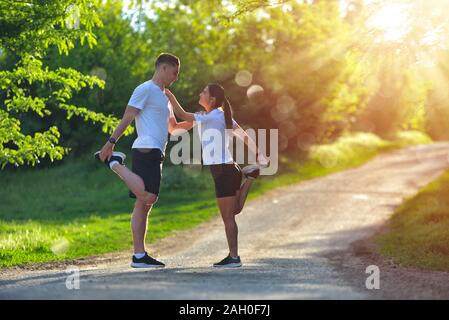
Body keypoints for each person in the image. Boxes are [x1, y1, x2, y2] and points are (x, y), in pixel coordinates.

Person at [94, 53, 193, 268]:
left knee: (143, 205)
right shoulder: (145, 89)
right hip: (146, 147)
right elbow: (128, 116)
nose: (176, 77)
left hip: (157, 151)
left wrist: (200, 121)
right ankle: (114, 163)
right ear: (164, 68)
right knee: (148, 196)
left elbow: (174, 128)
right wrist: (110, 142)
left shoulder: (165, 97)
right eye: (175, 72)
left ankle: (139, 256)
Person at [165, 84, 268, 268]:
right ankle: (250, 175)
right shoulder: (217, 116)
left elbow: (184, 115)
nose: (200, 93)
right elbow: (175, 128)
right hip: (229, 169)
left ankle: (234, 258)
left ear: (211, 99)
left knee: (229, 216)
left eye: (203, 91)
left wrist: (169, 95)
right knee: (233, 211)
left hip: (223, 171)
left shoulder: (212, 116)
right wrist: (259, 154)